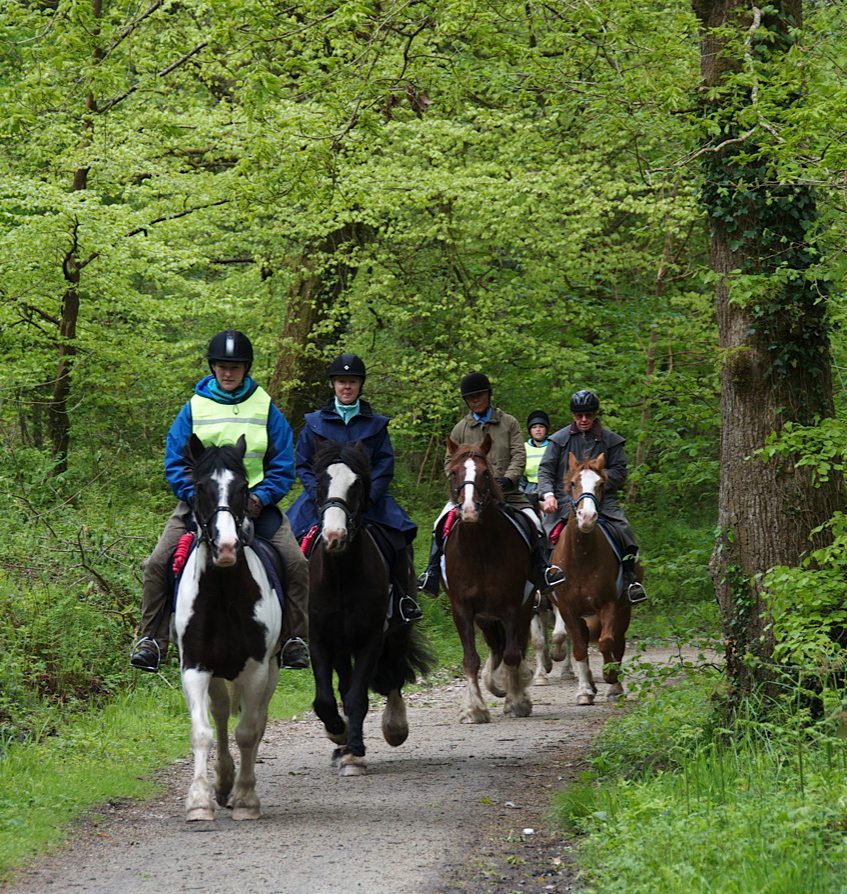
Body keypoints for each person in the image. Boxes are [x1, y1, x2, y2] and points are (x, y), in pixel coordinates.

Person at [130, 330, 311, 672]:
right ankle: (152, 639)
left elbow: (283, 463)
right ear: (213, 367)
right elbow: (175, 462)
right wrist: (195, 496)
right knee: (156, 563)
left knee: (296, 563)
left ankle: (293, 639)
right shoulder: (193, 408)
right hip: (202, 504)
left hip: (255, 503)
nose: (228, 373)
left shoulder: (266, 408)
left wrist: (261, 497)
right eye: (222, 366)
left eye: (235, 367)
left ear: (246, 368)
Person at [286, 353, 423, 624]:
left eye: (351, 382)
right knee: (288, 539)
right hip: (322, 499)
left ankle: (402, 599)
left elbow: (384, 463)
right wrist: (319, 495)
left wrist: (369, 497)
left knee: (400, 536)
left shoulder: (376, 425)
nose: (346, 387)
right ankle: (291, 611)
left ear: (360, 385)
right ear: (333, 385)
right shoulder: (314, 423)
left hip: (368, 498)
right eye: (341, 382)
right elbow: (302, 463)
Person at [416, 372, 565, 597]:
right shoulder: (460, 429)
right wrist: (461, 481)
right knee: (439, 524)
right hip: (469, 494)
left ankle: (543, 571)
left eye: (480, 395)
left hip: (508, 493)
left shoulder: (509, 423)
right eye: (471, 397)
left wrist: (509, 478)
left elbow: (519, 454)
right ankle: (432, 573)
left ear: (489, 395)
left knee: (535, 523)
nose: (476, 400)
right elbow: (450, 461)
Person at [537, 389, 647, 604]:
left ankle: (630, 580)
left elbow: (620, 471)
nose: (584, 419)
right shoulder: (558, 440)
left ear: (595, 414)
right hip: (564, 499)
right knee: (543, 534)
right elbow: (545, 470)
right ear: (573, 415)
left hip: (602, 498)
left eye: (588, 415)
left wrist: (597, 480)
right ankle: (543, 583)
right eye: (579, 415)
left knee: (624, 531)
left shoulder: (611, 440)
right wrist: (548, 495)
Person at [520, 409, 551, 497]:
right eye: (534, 427)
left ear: (546, 429)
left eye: (541, 427)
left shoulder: (552, 447)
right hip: (529, 487)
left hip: (549, 487)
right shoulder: (524, 447)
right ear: (530, 431)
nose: (538, 430)